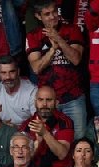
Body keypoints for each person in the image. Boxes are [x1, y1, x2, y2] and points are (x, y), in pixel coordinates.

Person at [26, 0, 86, 139]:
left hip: (73, 97)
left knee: (78, 139)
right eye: (47, 14)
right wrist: (52, 49)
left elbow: (76, 59)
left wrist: (58, 39)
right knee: (49, 141)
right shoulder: (33, 35)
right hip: (48, 102)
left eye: (54, 12)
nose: (52, 16)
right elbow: (36, 68)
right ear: (38, 16)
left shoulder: (72, 30)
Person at [0, 58, 36, 127]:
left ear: (18, 71)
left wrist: (16, 128)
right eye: (3, 73)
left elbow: (38, 122)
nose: (8, 77)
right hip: (2, 131)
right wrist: (0, 124)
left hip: (26, 133)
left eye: (12, 72)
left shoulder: (32, 91)